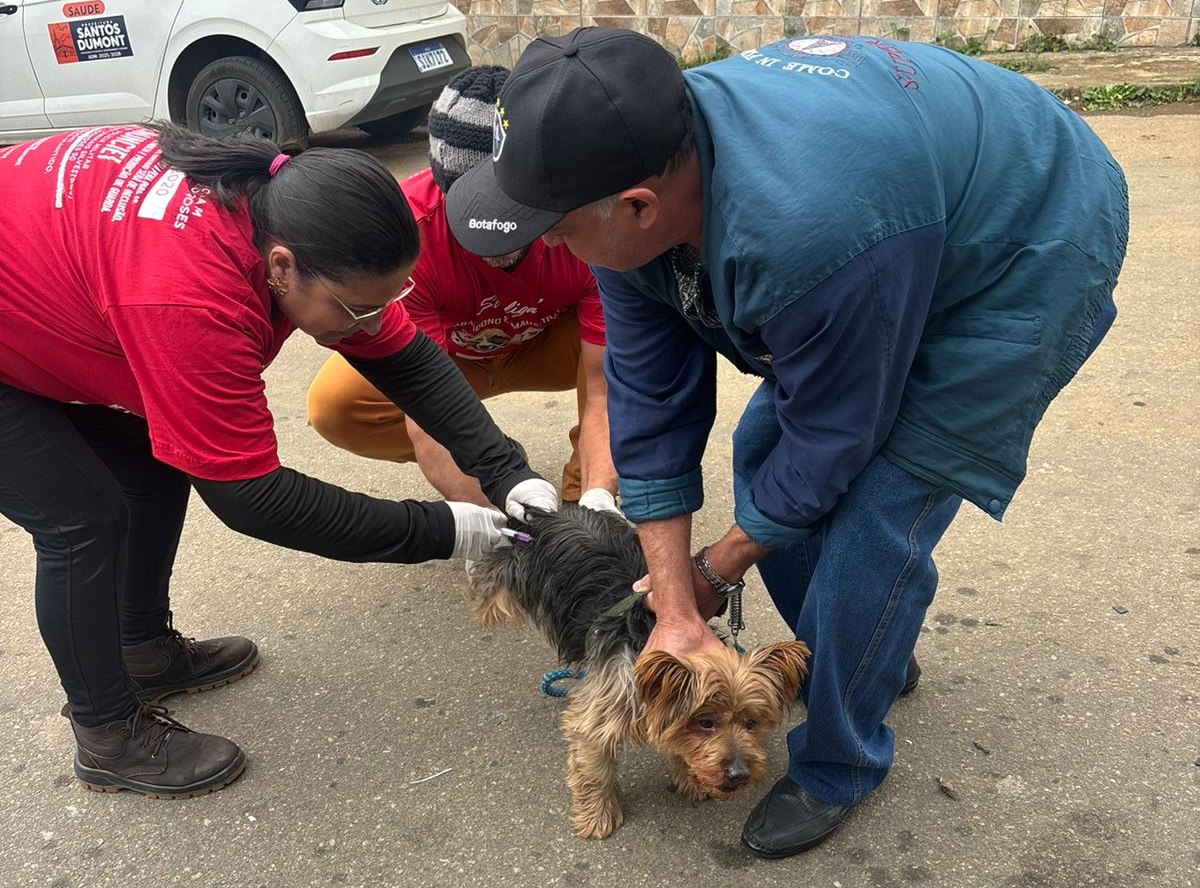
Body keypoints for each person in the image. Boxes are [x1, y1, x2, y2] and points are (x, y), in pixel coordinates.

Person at [444, 28, 1127, 857]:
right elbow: (652, 401)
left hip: (1025, 241)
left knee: (876, 514)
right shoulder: (637, 178)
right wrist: (670, 593)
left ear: (636, 206)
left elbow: (838, 438)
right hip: (894, 220)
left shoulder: (810, 231)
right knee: (763, 457)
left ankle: (840, 761)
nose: (545, 245)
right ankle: (857, 654)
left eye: (555, 227)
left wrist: (717, 566)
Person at [0, 122, 559, 800]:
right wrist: (450, 529)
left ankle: (140, 649)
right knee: (82, 520)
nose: (371, 320)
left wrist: (506, 471)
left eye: (390, 298)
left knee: (152, 466)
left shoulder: (290, 214)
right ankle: (108, 732)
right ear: (282, 266)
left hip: (52, 283)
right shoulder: (191, 291)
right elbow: (250, 496)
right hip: (32, 315)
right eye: (356, 307)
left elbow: (407, 359)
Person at [307, 65, 620, 514]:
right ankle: (491, 456)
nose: (499, 241)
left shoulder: (580, 224)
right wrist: (498, 509)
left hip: (547, 349)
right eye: (474, 214)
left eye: (517, 215)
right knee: (335, 405)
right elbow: (424, 412)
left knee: (636, 354)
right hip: (448, 363)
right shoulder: (405, 237)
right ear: (442, 188)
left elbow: (604, 387)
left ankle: (577, 491)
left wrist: (596, 495)